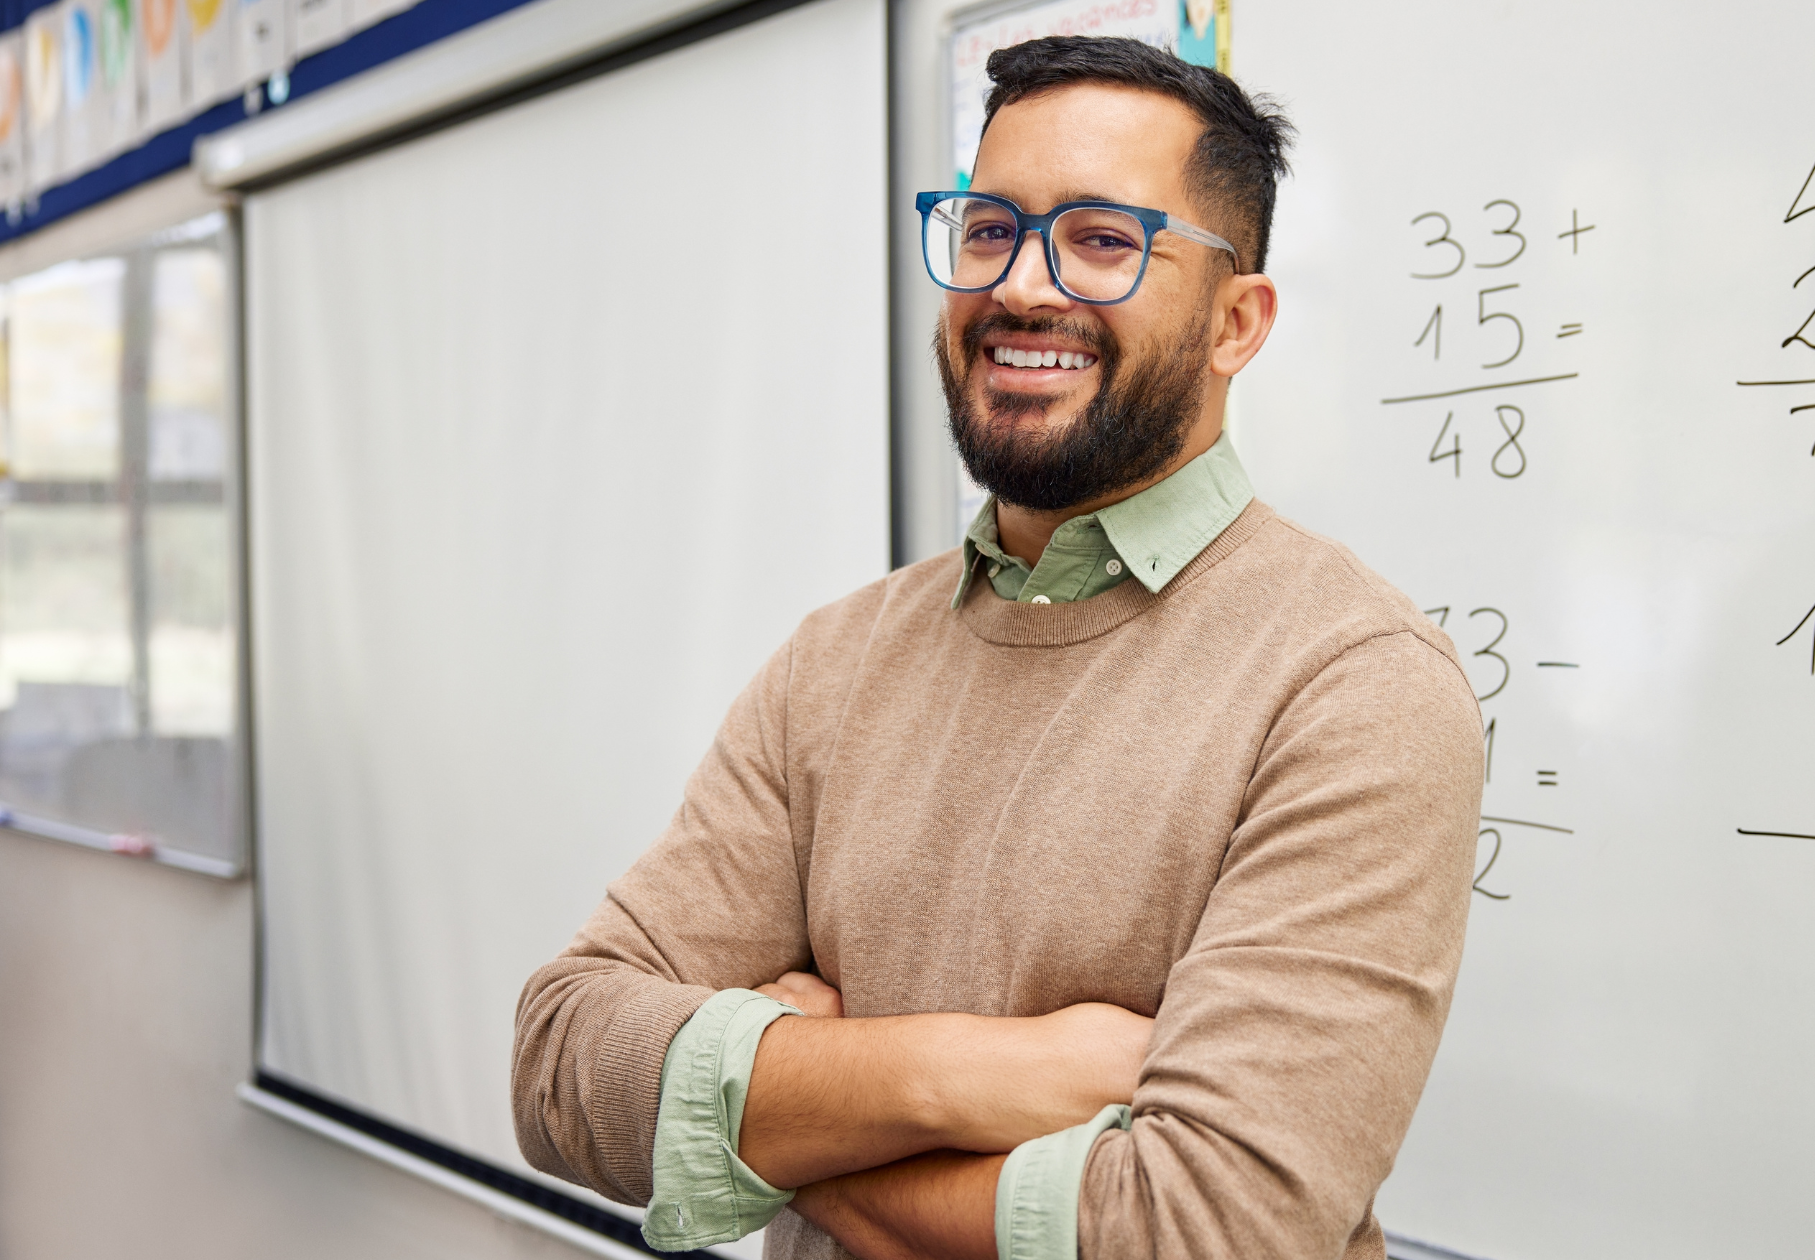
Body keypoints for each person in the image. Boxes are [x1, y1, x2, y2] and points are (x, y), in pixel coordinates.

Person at [512, 34, 1483, 1260]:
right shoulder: (834, 662)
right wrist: (975, 1074)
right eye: (987, 228)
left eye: (1102, 239)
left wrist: (767, 1120)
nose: (1022, 287)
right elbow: (563, 1067)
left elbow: (1199, 1228)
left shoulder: (1353, 685)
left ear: (1238, 322)